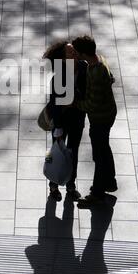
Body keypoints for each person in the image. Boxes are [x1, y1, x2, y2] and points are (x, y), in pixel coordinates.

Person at [71, 35, 117, 207]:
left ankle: (97, 194)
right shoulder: (99, 60)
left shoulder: (96, 71)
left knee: (99, 155)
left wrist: (75, 103)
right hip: (108, 112)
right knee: (104, 148)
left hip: (101, 117)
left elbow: (92, 104)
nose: (74, 55)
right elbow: (111, 77)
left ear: (83, 53)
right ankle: (110, 182)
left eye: (76, 52)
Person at [43, 40, 87, 202]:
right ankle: (53, 185)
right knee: (55, 151)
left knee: (73, 152)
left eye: (74, 50)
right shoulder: (58, 77)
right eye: (70, 52)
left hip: (77, 119)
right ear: (63, 58)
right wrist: (58, 126)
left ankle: (71, 185)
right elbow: (54, 103)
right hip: (61, 121)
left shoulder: (83, 67)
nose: (74, 52)